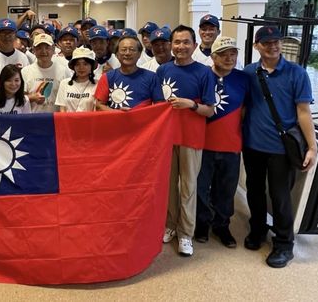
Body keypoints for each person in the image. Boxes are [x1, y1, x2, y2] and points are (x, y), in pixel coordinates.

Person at [242, 26, 317, 268]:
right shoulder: (249, 73)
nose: (273, 46)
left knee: (280, 196)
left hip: (281, 148)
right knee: (254, 190)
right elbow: (243, 108)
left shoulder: (297, 73)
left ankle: (284, 244)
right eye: (267, 43)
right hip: (253, 144)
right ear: (257, 46)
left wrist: (312, 147)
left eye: (276, 42)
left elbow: (304, 112)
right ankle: (258, 230)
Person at [156, 25, 216, 258]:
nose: (181, 47)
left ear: (194, 44)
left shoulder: (204, 72)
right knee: (169, 186)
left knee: (189, 188)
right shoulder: (163, 70)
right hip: (167, 138)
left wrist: (190, 104)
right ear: (171, 45)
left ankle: (185, 234)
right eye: (177, 42)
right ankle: (170, 224)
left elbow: (209, 111)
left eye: (186, 42)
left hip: (191, 138)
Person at [195, 37, 249, 249]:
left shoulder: (244, 79)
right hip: (203, 144)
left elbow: (246, 110)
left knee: (226, 189)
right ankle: (201, 223)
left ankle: (221, 225)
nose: (229, 58)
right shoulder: (202, 76)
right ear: (213, 56)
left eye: (233, 54)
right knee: (200, 188)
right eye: (224, 54)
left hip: (231, 145)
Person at [95, 35, 162, 111]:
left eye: (132, 49)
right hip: (114, 121)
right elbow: (99, 105)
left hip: (143, 122)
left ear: (139, 54)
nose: (127, 53)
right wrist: (117, 113)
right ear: (116, 54)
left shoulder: (152, 77)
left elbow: (160, 107)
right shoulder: (107, 77)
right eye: (123, 50)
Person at [21, 33, 70, 113]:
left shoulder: (63, 71)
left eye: (47, 48)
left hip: (55, 120)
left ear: (53, 49)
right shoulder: (25, 71)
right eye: (39, 48)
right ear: (34, 50)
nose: (43, 51)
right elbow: (19, 99)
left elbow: (68, 97)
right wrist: (31, 97)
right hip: (32, 119)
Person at [55, 47, 97, 112]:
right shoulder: (64, 83)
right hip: (68, 121)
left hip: (89, 121)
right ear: (73, 67)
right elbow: (62, 109)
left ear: (91, 66)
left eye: (85, 64)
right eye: (77, 64)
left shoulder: (97, 84)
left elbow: (97, 109)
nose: (81, 67)